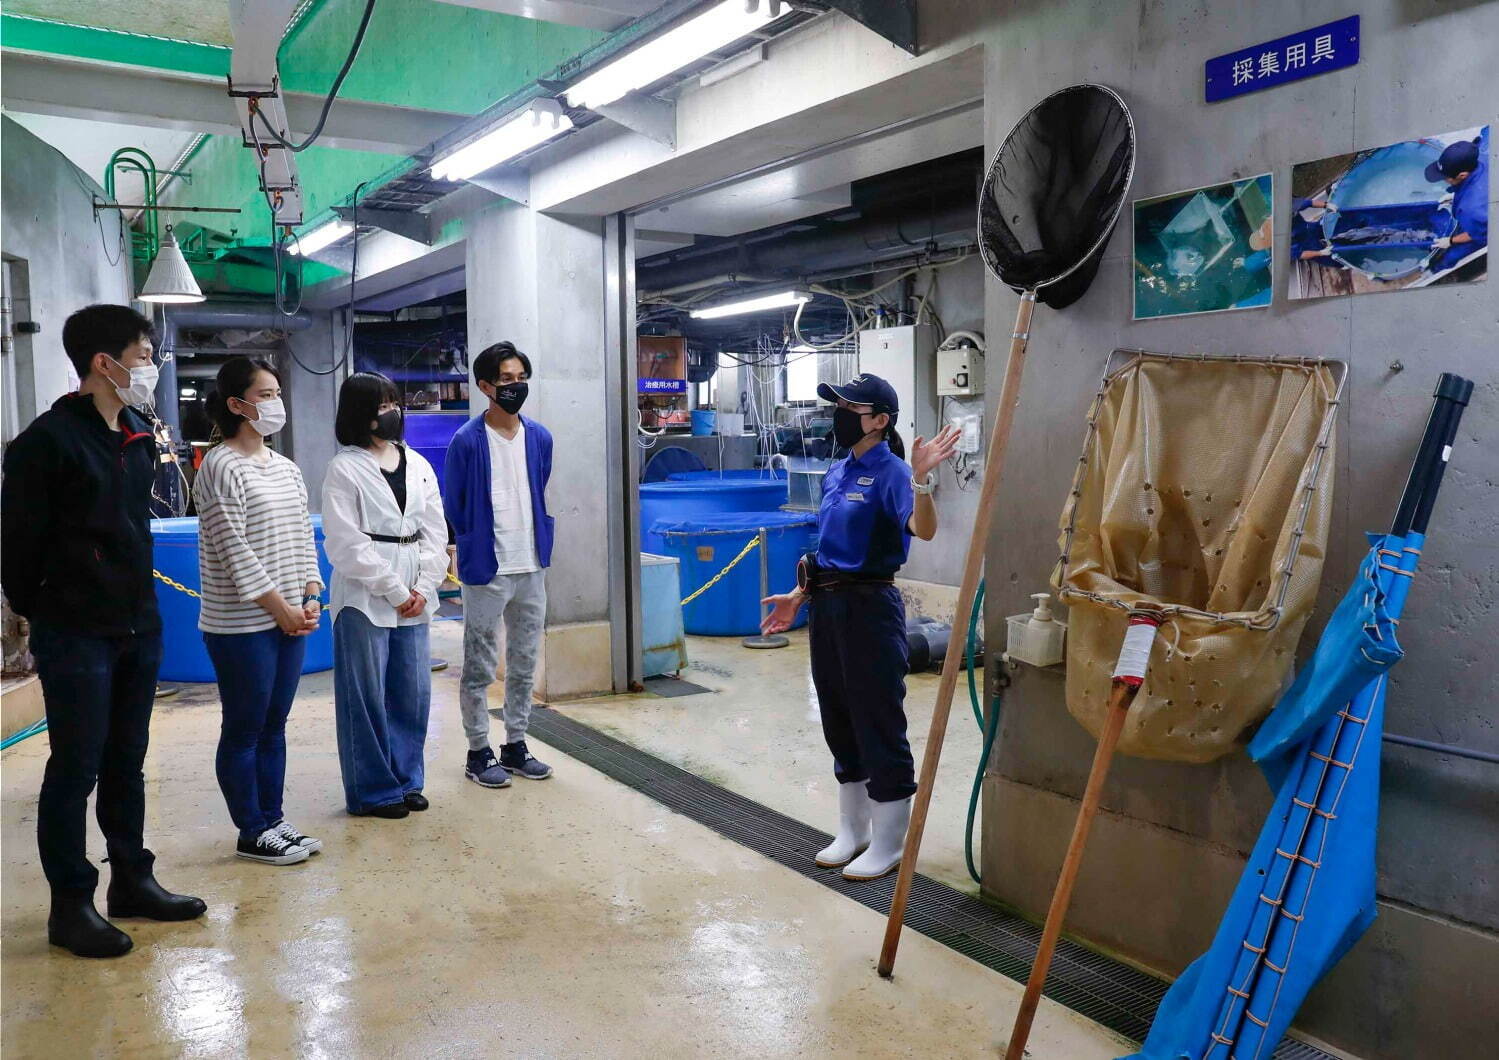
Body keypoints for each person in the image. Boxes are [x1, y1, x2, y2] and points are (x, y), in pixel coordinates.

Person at [1, 304, 205, 958]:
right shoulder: (48, 442)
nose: (149, 367)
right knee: (76, 768)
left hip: (136, 625)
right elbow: (17, 547)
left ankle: (132, 880)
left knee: (127, 762)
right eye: (143, 355)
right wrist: (43, 613)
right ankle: (71, 906)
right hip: (76, 632)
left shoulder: (138, 433)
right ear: (104, 362)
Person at [760, 374, 959, 881]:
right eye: (837, 405)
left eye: (851, 406)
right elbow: (829, 550)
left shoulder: (893, 472)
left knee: (877, 720)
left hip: (870, 609)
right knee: (838, 718)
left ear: (879, 420)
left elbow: (925, 529)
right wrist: (798, 596)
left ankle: (890, 841)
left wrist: (921, 480)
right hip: (826, 609)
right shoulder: (838, 470)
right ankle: (854, 830)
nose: (839, 414)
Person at [193, 357, 324, 866]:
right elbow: (234, 550)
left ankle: (274, 818)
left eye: (276, 392)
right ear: (236, 404)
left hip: (292, 615)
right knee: (245, 727)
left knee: (275, 726)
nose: (276, 403)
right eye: (265, 394)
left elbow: (302, 538)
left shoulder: (287, 468)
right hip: (242, 625)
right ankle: (251, 830)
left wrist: (311, 594)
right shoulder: (221, 466)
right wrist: (281, 609)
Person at [322, 373, 446, 818]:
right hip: (364, 595)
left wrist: (424, 586)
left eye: (395, 402)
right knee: (366, 697)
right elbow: (343, 542)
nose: (392, 411)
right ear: (359, 414)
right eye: (381, 405)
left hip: (416, 587)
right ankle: (373, 790)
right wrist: (393, 590)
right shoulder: (345, 467)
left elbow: (435, 529)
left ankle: (407, 779)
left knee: (412, 693)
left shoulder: (417, 463)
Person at [443, 341, 555, 787]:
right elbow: (455, 503)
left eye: (520, 377)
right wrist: (471, 541)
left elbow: (539, 484)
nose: (515, 385)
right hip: (487, 568)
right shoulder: (467, 440)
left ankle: (515, 744)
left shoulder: (540, 437)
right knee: (479, 665)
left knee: (525, 662)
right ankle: (477, 751)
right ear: (486, 385)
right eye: (506, 379)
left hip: (531, 566)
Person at [1425, 132, 1488, 273]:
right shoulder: (1482, 152)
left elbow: (1477, 234)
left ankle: (1435, 270)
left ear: (1462, 175)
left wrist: (1450, 241)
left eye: (1445, 177)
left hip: (1483, 231)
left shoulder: (1472, 208)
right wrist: (1457, 195)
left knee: (1449, 256)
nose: (1443, 180)